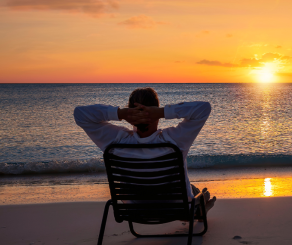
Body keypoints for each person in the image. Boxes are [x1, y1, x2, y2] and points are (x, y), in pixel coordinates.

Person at [74, 87, 216, 212]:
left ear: (129, 113)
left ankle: (198, 204)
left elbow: (80, 114)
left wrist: (120, 114)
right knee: (195, 190)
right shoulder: (174, 141)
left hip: (135, 210)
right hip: (177, 209)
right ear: (156, 112)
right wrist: (163, 112)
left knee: (192, 190)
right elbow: (203, 109)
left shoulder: (116, 142)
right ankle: (197, 208)